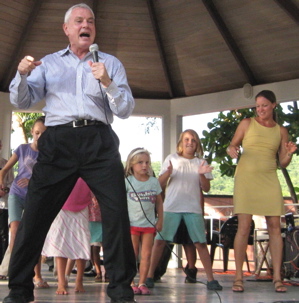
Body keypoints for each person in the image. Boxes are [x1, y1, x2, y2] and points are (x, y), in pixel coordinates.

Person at [4, 3, 136, 303]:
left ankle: (121, 289)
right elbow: (22, 99)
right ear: (67, 29)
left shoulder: (111, 63)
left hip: (99, 140)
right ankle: (20, 289)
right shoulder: (49, 63)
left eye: (90, 21)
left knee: (116, 213)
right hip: (59, 141)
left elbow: (126, 109)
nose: (84, 25)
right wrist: (21, 75)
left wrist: (108, 82)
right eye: (78, 21)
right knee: (35, 213)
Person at [226, 90, 297, 293]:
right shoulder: (247, 123)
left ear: (274, 105)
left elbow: (282, 162)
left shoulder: (281, 131)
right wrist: (231, 149)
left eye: (264, 105)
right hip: (246, 179)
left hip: (269, 179)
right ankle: (238, 277)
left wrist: (290, 154)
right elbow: (233, 145)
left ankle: (277, 277)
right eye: (257, 106)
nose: (260, 109)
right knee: (244, 226)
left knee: (275, 226)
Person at [146, 129, 223, 291]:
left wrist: (202, 174)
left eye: (193, 140)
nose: (190, 142)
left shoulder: (200, 162)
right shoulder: (171, 159)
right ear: (181, 142)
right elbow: (159, 184)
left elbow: (207, 188)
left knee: (200, 243)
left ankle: (210, 279)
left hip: (193, 209)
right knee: (160, 241)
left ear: (197, 144)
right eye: (187, 139)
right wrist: (168, 173)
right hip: (171, 208)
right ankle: (149, 276)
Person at [0, 117, 48, 288]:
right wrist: (1, 180)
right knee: (14, 231)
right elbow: (5, 169)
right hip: (16, 194)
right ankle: (15, 269)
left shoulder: (48, 155)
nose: (39, 136)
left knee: (32, 234)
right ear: (31, 133)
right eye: (37, 133)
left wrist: (32, 181)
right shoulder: (22, 149)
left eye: (43, 134)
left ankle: (37, 275)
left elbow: (48, 179)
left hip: (34, 198)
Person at [42, 177, 92, 295]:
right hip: (62, 205)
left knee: (82, 242)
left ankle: (79, 280)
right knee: (61, 244)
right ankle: (61, 282)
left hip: (82, 206)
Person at [124, 148, 163, 295]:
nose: (144, 165)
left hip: (149, 224)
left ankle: (142, 282)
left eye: (147, 162)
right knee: (132, 254)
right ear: (131, 165)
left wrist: (160, 220)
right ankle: (131, 281)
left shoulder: (154, 182)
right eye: (140, 162)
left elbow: (159, 202)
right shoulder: (128, 182)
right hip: (132, 224)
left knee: (146, 254)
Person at [0, 139, 14, 277]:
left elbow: (12, 182)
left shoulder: (6, 164)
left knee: (4, 235)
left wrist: (5, 189)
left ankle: (2, 266)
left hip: (3, 205)